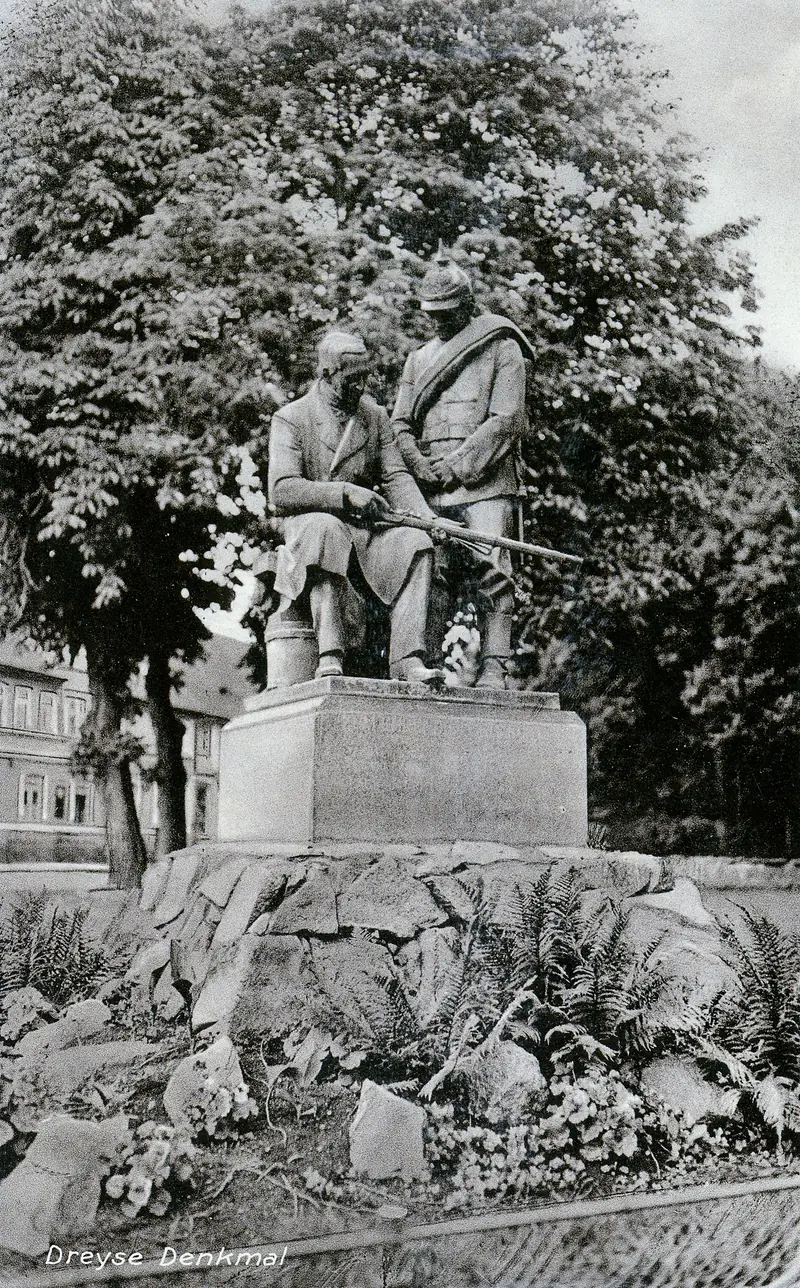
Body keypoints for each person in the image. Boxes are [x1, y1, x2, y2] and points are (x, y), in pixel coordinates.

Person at [391, 259, 535, 690]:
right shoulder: (418, 360)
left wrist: (454, 467)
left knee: (493, 568)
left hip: (486, 482)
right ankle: (426, 667)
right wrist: (417, 465)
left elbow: (506, 419)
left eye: (446, 312)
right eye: (430, 313)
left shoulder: (502, 346)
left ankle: (495, 666)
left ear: (467, 305)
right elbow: (399, 424)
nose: (437, 321)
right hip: (430, 487)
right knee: (428, 571)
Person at [267, 330, 441, 683]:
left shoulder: (373, 416)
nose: (362, 385)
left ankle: (407, 660)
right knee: (326, 529)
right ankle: (330, 653)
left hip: (364, 533)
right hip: (311, 528)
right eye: (353, 378)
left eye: (366, 376)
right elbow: (281, 490)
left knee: (416, 544)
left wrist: (427, 519)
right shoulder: (291, 418)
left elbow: (395, 476)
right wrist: (344, 493)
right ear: (327, 373)